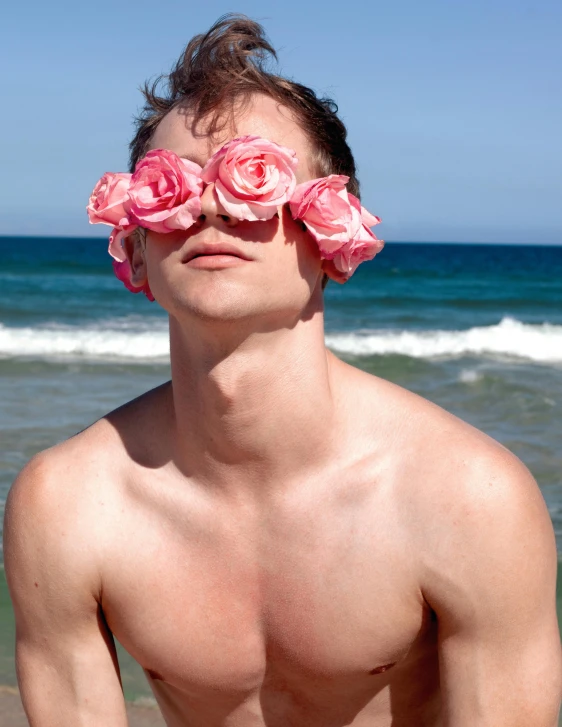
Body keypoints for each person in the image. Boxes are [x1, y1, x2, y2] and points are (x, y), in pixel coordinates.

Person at [4, 13, 561, 727]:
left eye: (252, 177)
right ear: (136, 247)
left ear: (337, 234)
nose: (209, 204)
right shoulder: (68, 506)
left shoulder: (468, 499)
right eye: (172, 187)